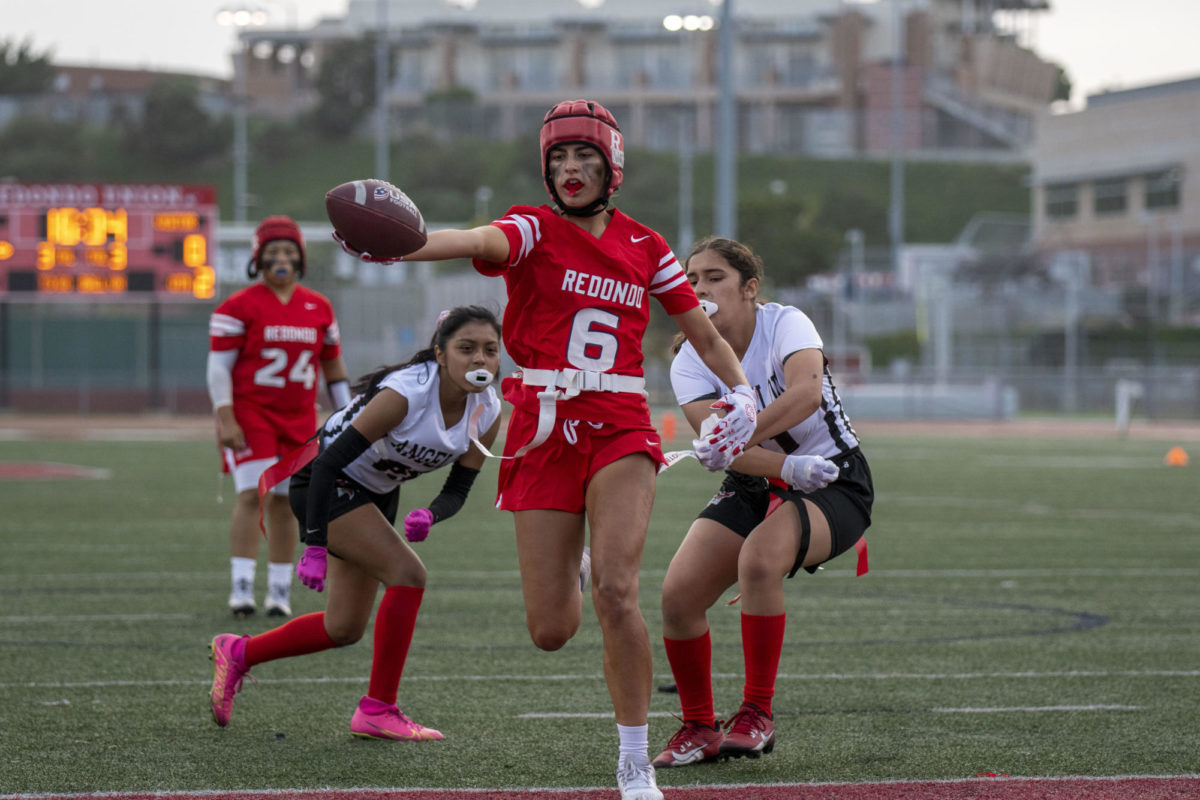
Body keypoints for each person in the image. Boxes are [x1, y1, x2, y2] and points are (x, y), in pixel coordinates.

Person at [335, 100, 756, 800]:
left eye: (583, 156)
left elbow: (707, 339)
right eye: (559, 157)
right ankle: (586, 560)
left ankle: (633, 762)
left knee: (619, 593)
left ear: (610, 165)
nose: (569, 168)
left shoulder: (647, 246)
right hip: (540, 428)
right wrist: (403, 243)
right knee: (552, 630)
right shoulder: (531, 226)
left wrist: (740, 394)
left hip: (619, 420)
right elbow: (477, 240)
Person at [208, 305, 504, 741]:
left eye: (490, 350)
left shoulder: (489, 410)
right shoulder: (406, 394)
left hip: (375, 492)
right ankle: (378, 709)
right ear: (440, 354)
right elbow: (327, 465)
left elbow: (459, 488)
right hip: (325, 482)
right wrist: (313, 546)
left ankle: (238, 652)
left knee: (342, 628)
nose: (480, 360)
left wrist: (431, 513)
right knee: (409, 574)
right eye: (466, 348)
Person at [652, 236, 874, 768]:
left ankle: (756, 715)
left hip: (834, 480)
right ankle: (699, 727)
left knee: (759, 559)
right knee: (678, 597)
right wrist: (777, 464)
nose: (700, 288)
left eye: (715, 277)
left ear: (750, 289)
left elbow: (805, 394)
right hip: (760, 482)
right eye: (692, 279)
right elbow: (723, 452)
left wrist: (742, 436)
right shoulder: (688, 360)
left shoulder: (785, 322)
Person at [208, 215, 351, 618]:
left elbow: (334, 370)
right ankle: (240, 587)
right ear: (258, 259)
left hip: (300, 416)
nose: (282, 258)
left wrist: (346, 416)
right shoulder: (238, 306)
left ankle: (278, 591)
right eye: (273, 252)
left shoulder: (318, 306)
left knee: (289, 502)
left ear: (300, 258)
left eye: (289, 251)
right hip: (252, 413)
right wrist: (226, 416)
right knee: (254, 493)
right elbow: (218, 367)